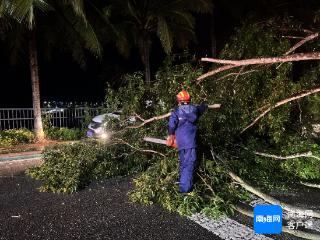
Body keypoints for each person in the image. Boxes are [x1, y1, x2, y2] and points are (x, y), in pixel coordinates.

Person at [167, 90, 207, 193]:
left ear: (179, 101)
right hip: (190, 142)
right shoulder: (194, 109)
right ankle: (184, 190)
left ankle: (183, 186)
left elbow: (171, 125)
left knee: (184, 164)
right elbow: (202, 108)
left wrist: (171, 136)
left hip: (180, 143)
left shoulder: (176, 111)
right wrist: (204, 104)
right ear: (189, 100)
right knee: (189, 164)